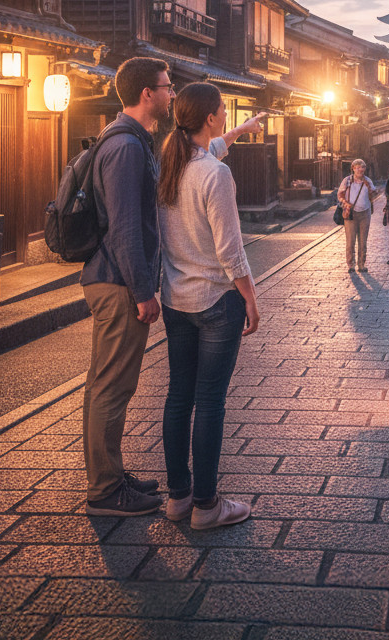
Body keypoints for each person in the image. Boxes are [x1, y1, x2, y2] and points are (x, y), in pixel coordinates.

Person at [157, 82, 261, 530]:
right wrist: (250, 297)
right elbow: (230, 250)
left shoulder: (169, 164)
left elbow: (212, 147)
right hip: (217, 300)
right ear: (210, 117)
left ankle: (179, 498)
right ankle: (206, 505)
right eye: (222, 110)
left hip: (175, 299)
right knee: (210, 400)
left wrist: (242, 130)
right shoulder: (215, 175)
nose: (224, 115)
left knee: (178, 396)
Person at [81, 56, 172, 516]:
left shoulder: (132, 140)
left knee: (107, 384)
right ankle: (104, 489)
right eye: (167, 86)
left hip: (116, 279)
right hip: (118, 284)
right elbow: (124, 228)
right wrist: (142, 291)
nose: (171, 94)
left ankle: (111, 474)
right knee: (112, 387)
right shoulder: (126, 147)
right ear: (146, 94)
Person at [337, 159, 377, 271]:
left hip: (365, 213)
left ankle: (361, 264)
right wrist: (345, 203)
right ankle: (351, 264)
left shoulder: (367, 180)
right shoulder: (347, 181)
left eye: (362, 167)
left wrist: (372, 191)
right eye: (358, 167)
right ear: (353, 168)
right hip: (351, 213)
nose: (360, 169)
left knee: (363, 241)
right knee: (350, 241)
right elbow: (340, 195)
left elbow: (373, 194)